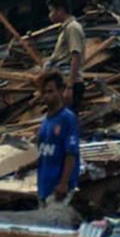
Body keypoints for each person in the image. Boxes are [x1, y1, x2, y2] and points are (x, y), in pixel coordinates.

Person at [36, 71, 80, 206]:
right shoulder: (45, 122)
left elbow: (71, 153)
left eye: (50, 91)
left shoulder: (67, 119)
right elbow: (44, 152)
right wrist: (25, 167)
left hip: (58, 189)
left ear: (60, 91)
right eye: (44, 92)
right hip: (44, 187)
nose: (47, 96)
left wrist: (63, 183)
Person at [46, 0, 85, 112]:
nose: (50, 15)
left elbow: (76, 56)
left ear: (61, 10)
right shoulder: (65, 29)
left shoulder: (72, 28)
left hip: (70, 82)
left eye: (52, 10)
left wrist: (69, 86)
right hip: (63, 81)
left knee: (68, 119)